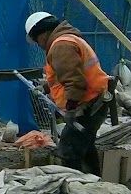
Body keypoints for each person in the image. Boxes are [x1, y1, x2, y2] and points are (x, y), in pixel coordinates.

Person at [25, 11, 111, 174]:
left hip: (86, 106)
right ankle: (94, 183)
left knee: (68, 151)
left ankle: (76, 188)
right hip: (94, 103)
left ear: (42, 33)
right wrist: (46, 88)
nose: (39, 45)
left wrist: (71, 109)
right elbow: (66, 75)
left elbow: (75, 81)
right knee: (85, 147)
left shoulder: (61, 45)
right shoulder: (68, 39)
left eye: (37, 40)